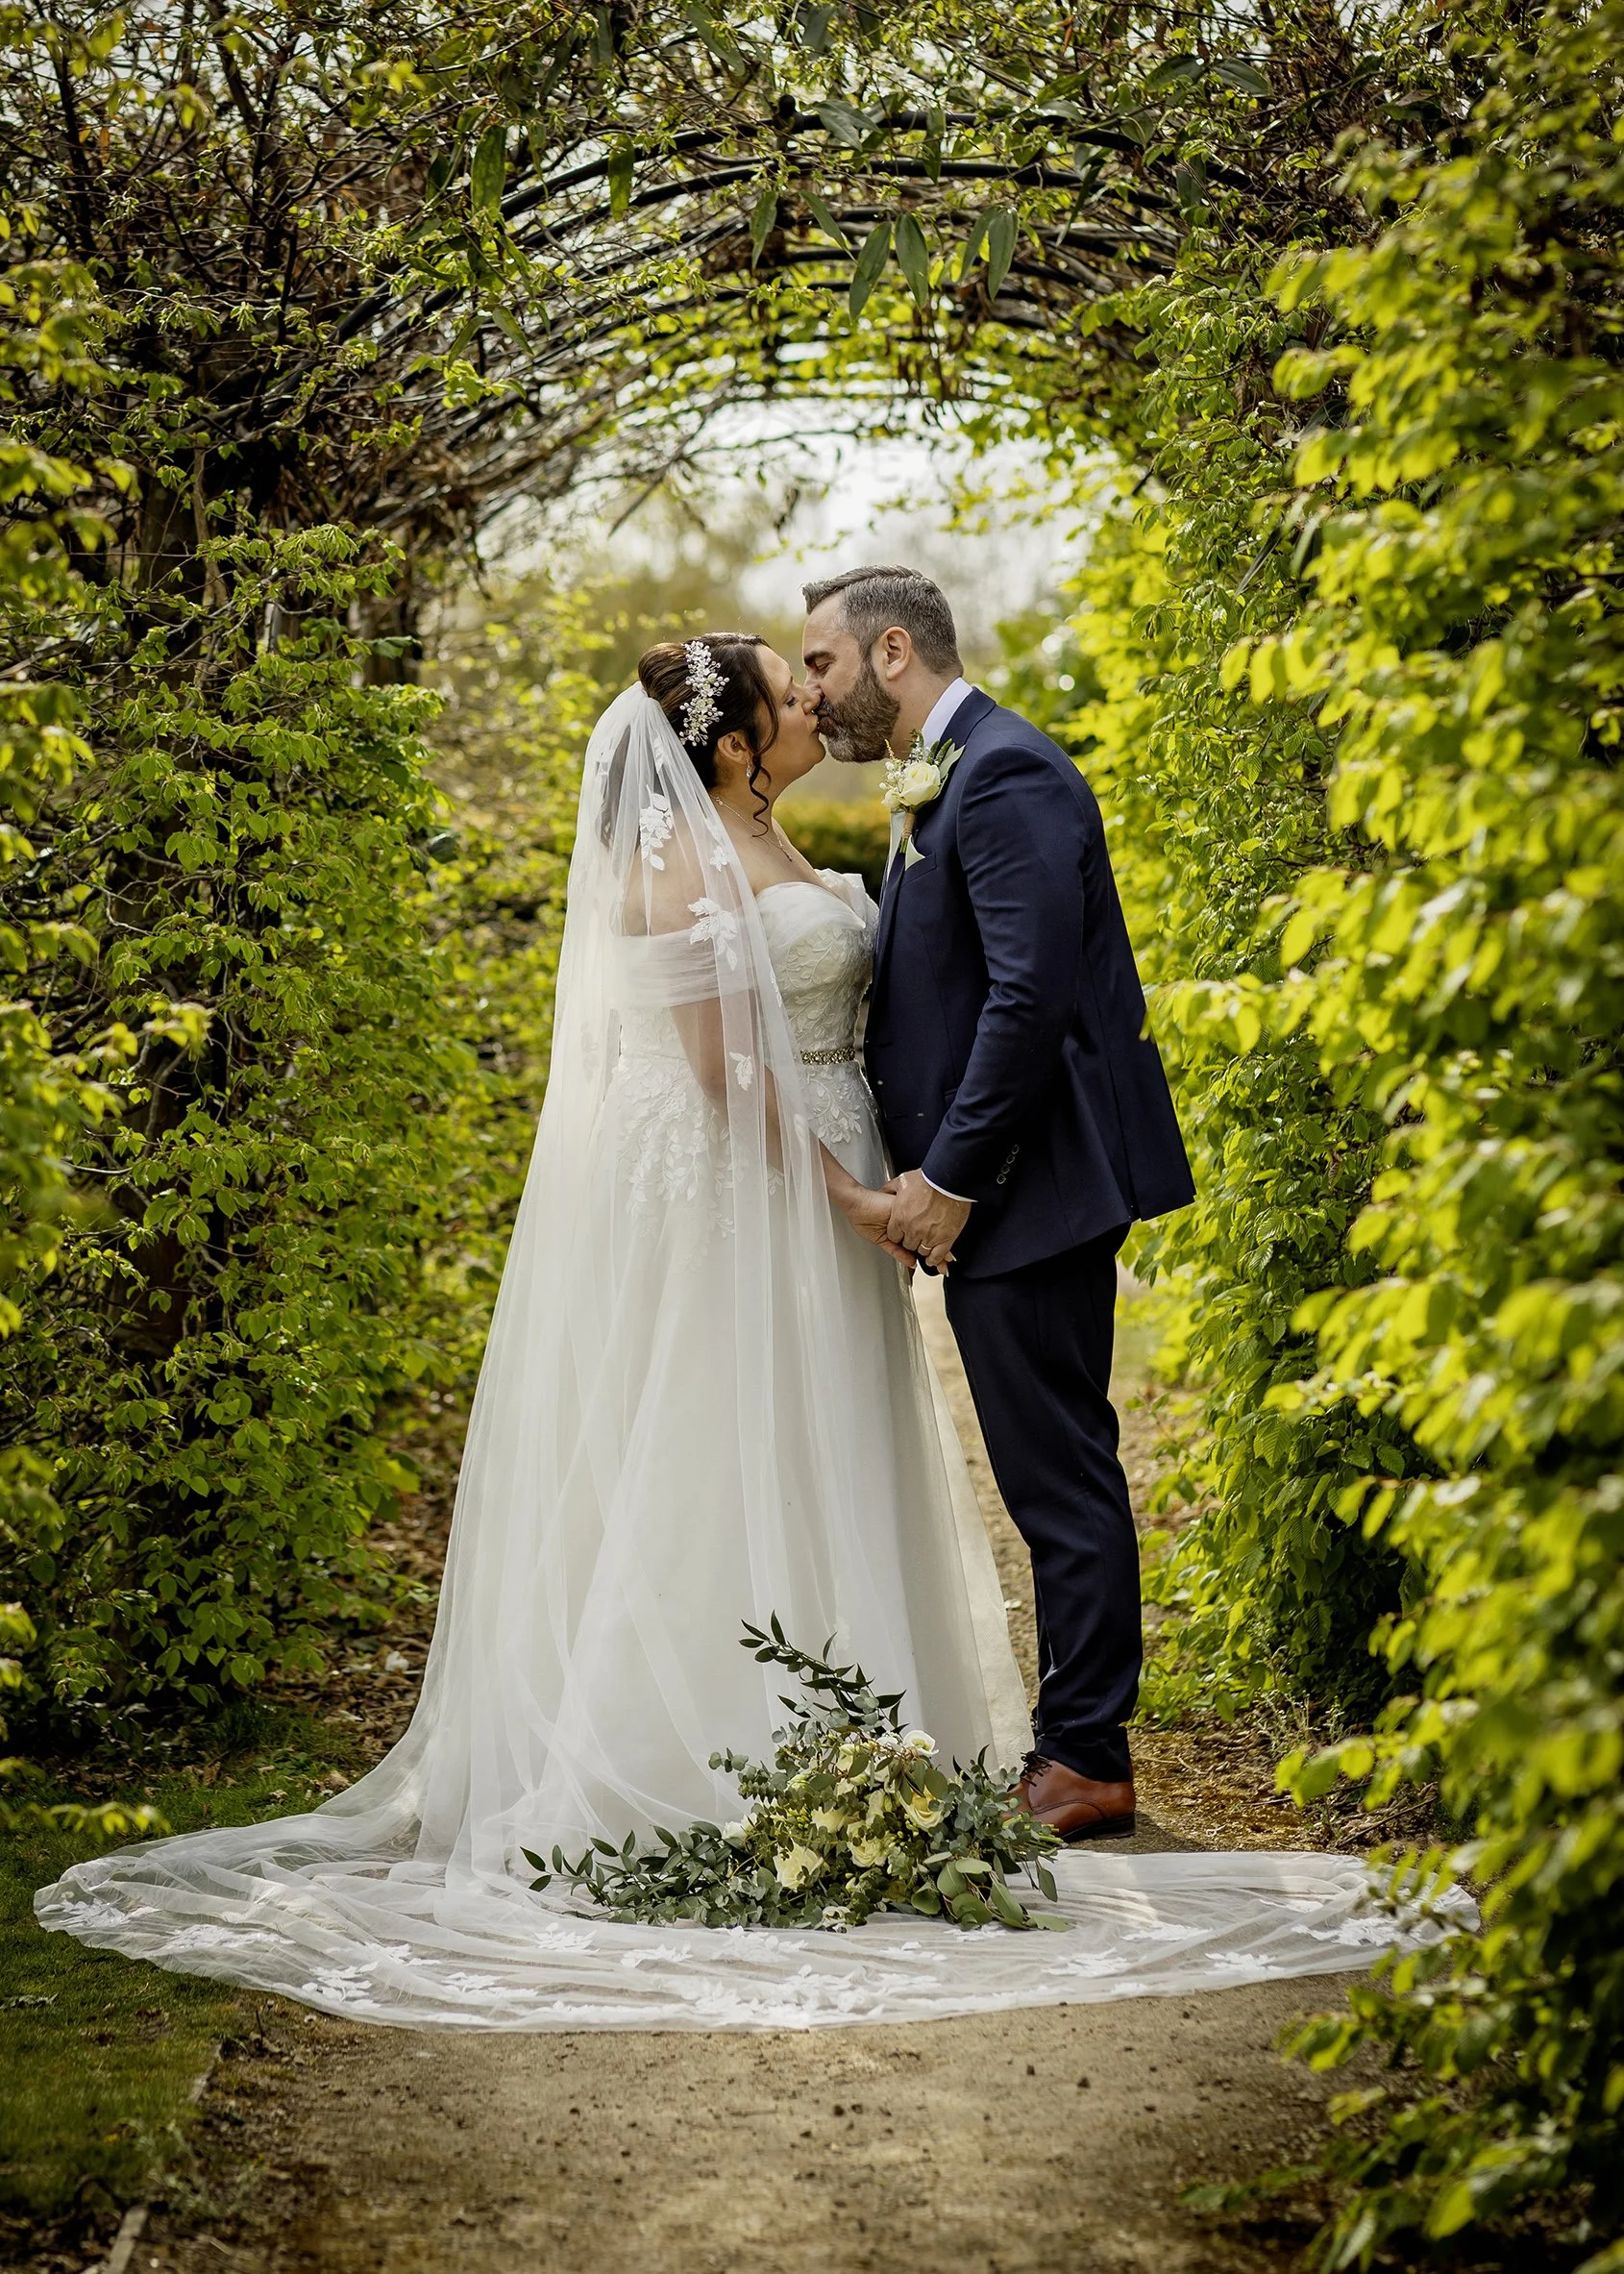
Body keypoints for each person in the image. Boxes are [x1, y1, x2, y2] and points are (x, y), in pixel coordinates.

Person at [37, 634, 1440, 2030]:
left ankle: (881, 1735)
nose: (811, 697)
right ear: (731, 742)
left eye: (817, 667)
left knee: (825, 1443)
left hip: (836, 1185)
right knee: (711, 1438)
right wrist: (845, 1191)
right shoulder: (674, 868)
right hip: (743, 1190)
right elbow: (722, 1071)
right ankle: (706, 1746)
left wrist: (902, 1177)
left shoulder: (836, 815)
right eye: (790, 686)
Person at [801, 565, 1195, 1843]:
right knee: (1047, 1473)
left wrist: (951, 1182)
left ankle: (1085, 1756)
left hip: (1037, 1188)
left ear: (893, 650)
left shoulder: (1007, 773)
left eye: (821, 663)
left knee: (1058, 1480)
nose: (813, 689)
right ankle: (1076, 1742)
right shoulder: (946, 772)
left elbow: (1027, 1002)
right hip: (1009, 1188)